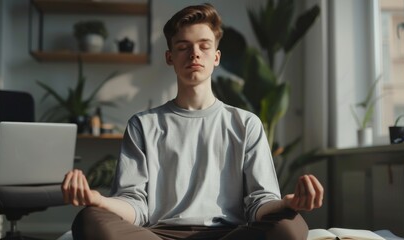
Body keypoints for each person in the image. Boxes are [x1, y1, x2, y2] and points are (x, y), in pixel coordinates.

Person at [62, 3, 324, 240]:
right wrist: (99, 200)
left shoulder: (246, 124)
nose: (194, 54)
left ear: (216, 57)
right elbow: (134, 204)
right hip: (158, 235)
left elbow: (259, 203)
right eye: (183, 47)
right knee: (89, 220)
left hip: (228, 235)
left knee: (291, 225)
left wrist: (288, 203)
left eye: (204, 46)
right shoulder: (143, 125)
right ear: (170, 57)